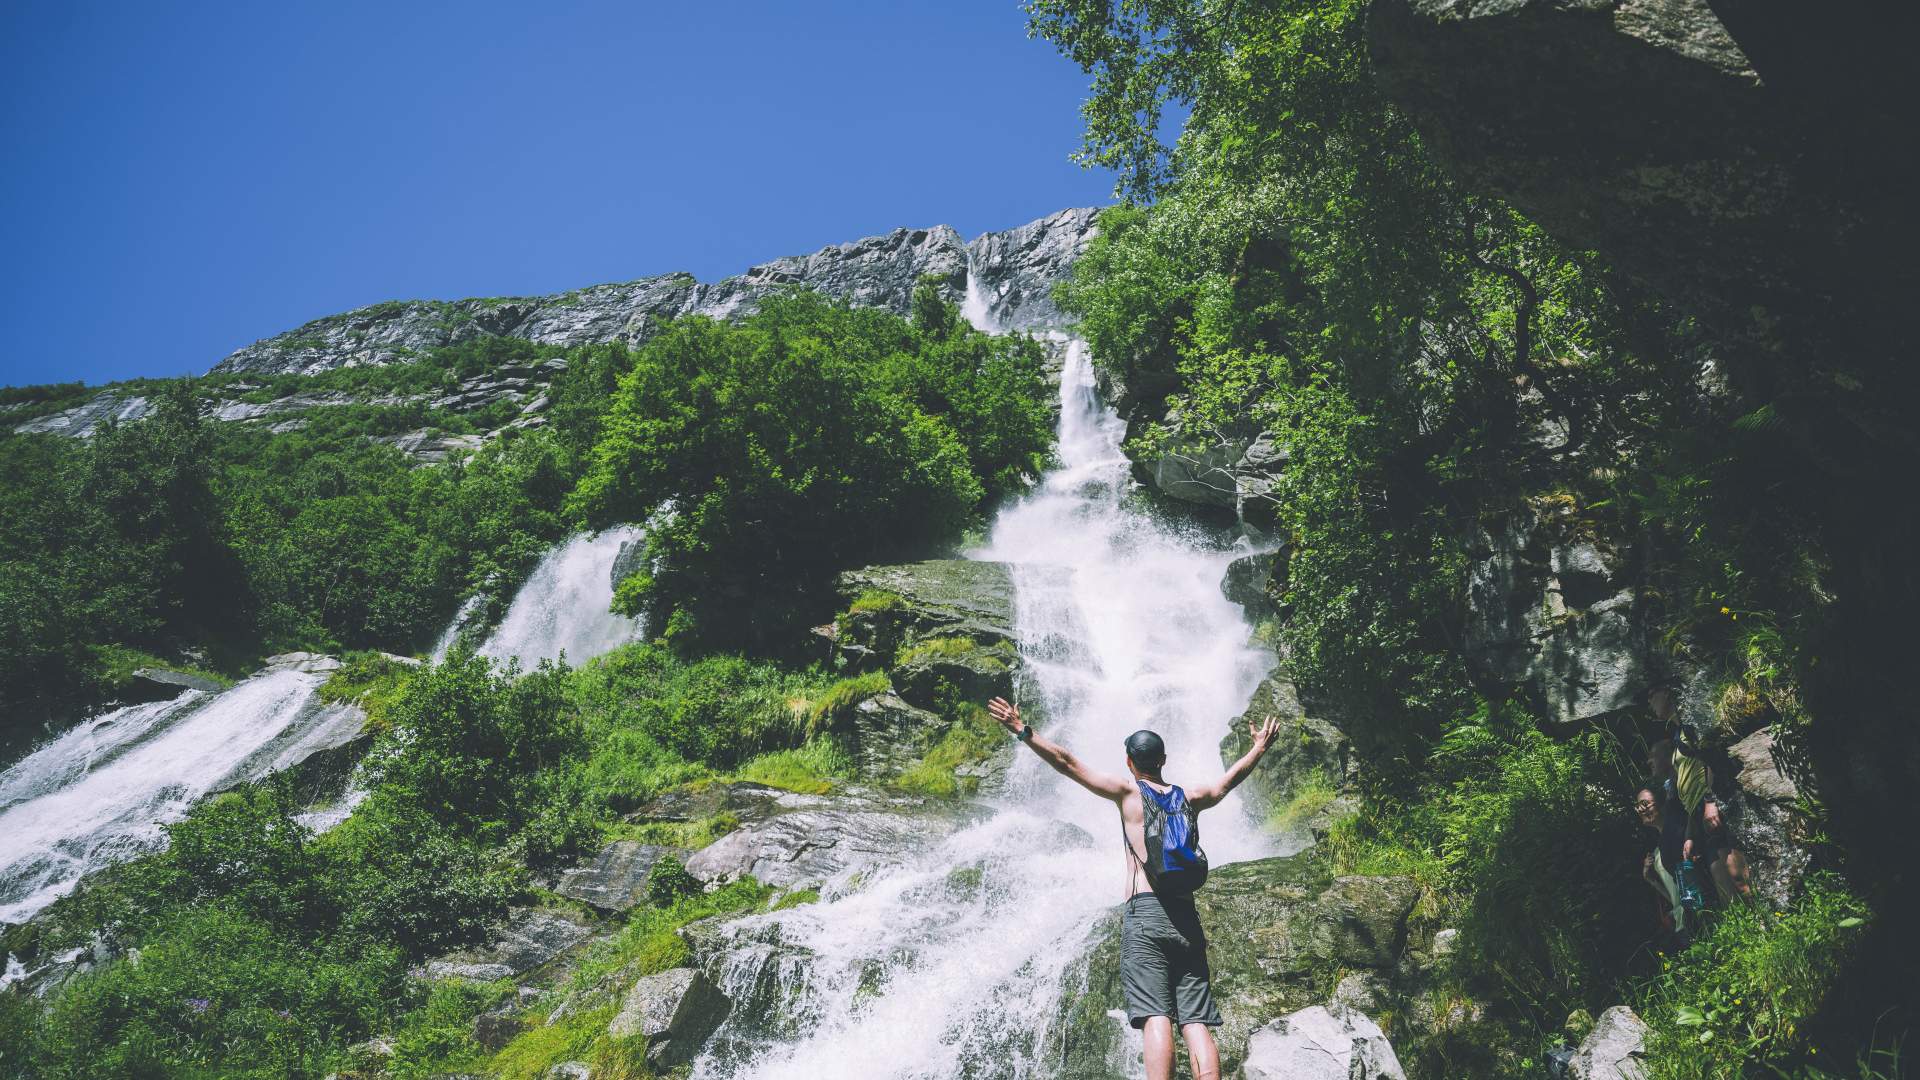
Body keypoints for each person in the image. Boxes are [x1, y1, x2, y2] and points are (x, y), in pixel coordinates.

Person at [987, 696, 1283, 1080]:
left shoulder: (1128, 794)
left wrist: (1022, 729)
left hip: (1145, 914)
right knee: (1196, 1021)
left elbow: (1067, 763)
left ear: (1130, 761)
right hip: (1186, 918)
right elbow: (1227, 783)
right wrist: (1258, 747)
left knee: (1155, 1015)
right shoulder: (1188, 797)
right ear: (1163, 760)